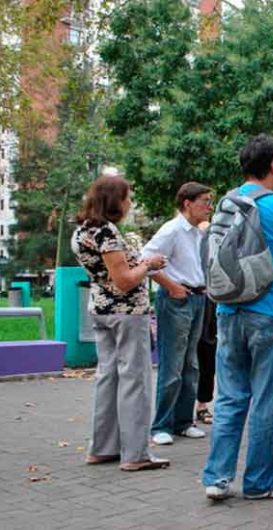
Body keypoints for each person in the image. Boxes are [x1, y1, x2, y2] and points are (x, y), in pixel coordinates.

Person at [202, 134, 273, 500]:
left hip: (228, 310)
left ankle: (216, 479)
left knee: (231, 398)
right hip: (268, 312)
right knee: (268, 400)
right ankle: (261, 482)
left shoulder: (225, 203)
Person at [71, 171, 170, 472]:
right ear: (115, 201)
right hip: (126, 313)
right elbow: (124, 280)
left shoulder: (81, 231)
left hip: (101, 310)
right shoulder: (107, 233)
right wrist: (148, 265)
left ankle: (102, 447)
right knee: (135, 381)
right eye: (127, 198)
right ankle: (135, 454)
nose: (129, 203)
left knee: (108, 378)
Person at [143, 182, 213, 445]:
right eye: (204, 201)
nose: (209, 207)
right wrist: (172, 287)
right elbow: (145, 260)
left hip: (197, 298)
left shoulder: (197, 233)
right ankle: (161, 424)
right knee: (172, 364)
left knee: (191, 364)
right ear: (187, 203)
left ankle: (184, 421)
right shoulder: (172, 230)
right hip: (176, 300)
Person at [195, 221, 216, 425]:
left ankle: (202, 404)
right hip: (184, 298)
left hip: (210, 299)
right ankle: (178, 409)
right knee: (184, 358)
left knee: (207, 352)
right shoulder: (176, 231)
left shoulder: (212, 232)